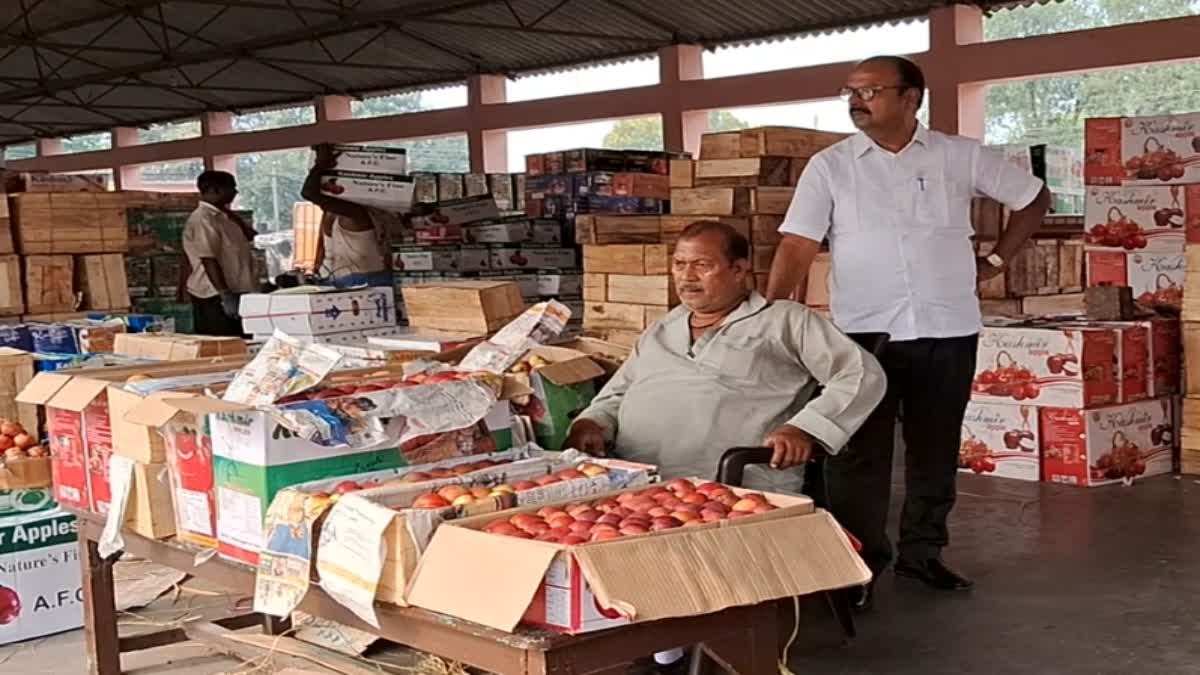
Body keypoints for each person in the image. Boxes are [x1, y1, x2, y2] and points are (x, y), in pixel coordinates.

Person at [765, 55, 1051, 604]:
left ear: (911, 98)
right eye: (849, 91)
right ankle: (858, 564)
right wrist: (772, 315)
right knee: (856, 457)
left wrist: (995, 261)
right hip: (862, 337)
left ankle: (924, 555)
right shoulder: (831, 166)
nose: (856, 100)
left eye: (870, 91)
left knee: (934, 450)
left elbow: (1033, 198)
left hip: (947, 329)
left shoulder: (958, 155)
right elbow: (798, 243)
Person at [565, 221, 886, 496]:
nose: (687, 277)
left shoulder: (783, 320)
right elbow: (617, 394)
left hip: (736, 488)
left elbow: (861, 374)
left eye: (702, 265)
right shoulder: (663, 328)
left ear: (739, 269)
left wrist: (805, 429)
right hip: (640, 488)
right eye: (679, 264)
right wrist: (592, 422)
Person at [300, 145, 394, 288]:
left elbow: (309, 192)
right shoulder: (336, 211)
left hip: (363, 282)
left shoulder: (356, 213)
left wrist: (320, 164)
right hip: (348, 280)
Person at [182, 170, 259, 336]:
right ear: (213, 191)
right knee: (223, 345)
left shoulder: (223, 217)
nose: (235, 192)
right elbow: (208, 259)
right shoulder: (203, 219)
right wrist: (225, 295)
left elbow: (250, 234)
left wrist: (231, 214)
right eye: (230, 188)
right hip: (214, 295)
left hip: (238, 291)